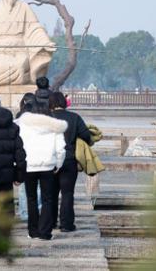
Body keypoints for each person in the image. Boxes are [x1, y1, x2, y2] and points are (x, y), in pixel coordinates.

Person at [16, 99, 66, 240]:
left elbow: (19, 146)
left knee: (31, 199)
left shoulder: (23, 126)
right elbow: (61, 149)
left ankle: (33, 231)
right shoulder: (54, 126)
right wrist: (59, 164)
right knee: (47, 199)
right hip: (48, 165)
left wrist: (18, 165)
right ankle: (45, 232)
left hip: (29, 165)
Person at [50, 91, 93, 231]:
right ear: (63, 102)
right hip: (69, 159)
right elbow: (86, 135)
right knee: (67, 193)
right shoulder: (74, 117)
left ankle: (50, 223)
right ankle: (66, 225)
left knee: (50, 194)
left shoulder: (46, 118)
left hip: (50, 160)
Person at [15, 93, 40, 221]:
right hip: (38, 158)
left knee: (23, 189)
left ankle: (24, 213)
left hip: (23, 159)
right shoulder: (40, 122)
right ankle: (38, 210)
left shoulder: (17, 122)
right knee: (38, 188)